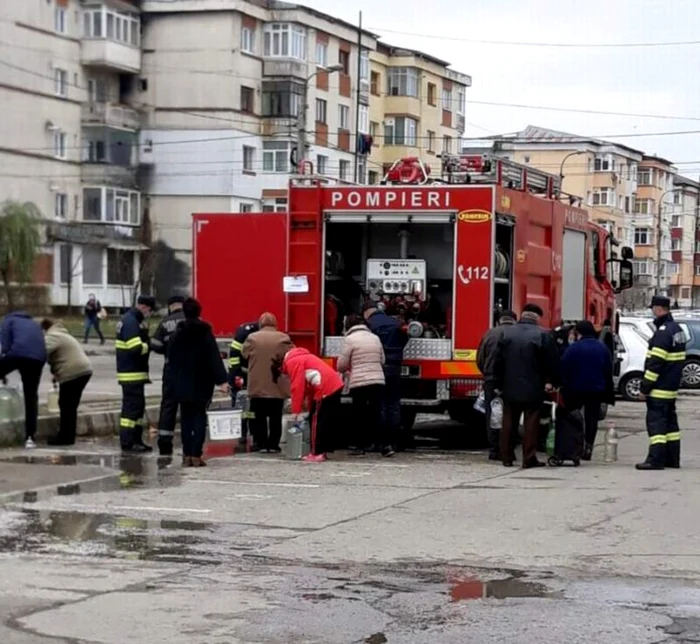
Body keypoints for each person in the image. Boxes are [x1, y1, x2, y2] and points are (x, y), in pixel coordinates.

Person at [494, 303, 560, 468]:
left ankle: (506, 457)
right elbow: (552, 362)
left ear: (522, 315)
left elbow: (497, 361)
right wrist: (552, 381)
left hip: (509, 386)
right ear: (537, 317)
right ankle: (528, 458)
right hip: (533, 387)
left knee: (508, 421)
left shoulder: (506, 333)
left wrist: (497, 383)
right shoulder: (543, 335)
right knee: (531, 423)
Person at [166, 298, 229, 467]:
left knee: (186, 418)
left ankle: (187, 454)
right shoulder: (205, 334)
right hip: (202, 382)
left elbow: (170, 358)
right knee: (200, 416)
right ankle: (196, 454)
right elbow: (214, 358)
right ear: (199, 312)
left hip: (182, 383)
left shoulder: (177, 335)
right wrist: (222, 380)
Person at [636, 295, 686, 470]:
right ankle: (672, 459)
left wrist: (645, 388)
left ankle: (655, 460)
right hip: (671, 388)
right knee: (671, 426)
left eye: (653, 309)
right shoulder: (677, 330)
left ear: (658, 309)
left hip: (659, 389)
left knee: (656, 425)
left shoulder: (663, 332)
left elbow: (655, 364)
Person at [560, 320, 615, 460]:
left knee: (573, 418)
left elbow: (564, 367)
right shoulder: (602, 348)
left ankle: (575, 447)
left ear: (579, 333)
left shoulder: (573, 348)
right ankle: (589, 447)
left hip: (575, 389)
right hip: (596, 389)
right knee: (592, 419)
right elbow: (608, 369)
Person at [337, 314, 390, 457]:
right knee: (377, 413)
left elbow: (342, 365)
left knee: (359, 415)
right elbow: (382, 359)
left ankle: (360, 447)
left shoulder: (350, 340)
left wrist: (344, 369)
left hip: (359, 382)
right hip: (378, 380)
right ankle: (385, 445)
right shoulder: (375, 338)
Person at [279, 347, 344, 463]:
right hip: (334, 385)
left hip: (325, 388)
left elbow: (297, 387)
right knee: (324, 420)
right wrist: (308, 407)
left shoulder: (292, 362)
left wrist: (295, 411)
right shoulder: (303, 357)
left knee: (316, 421)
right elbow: (307, 388)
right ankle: (323, 451)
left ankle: (317, 453)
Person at [241, 313, 293, 453]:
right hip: (276, 383)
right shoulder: (283, 338)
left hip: (257, 385)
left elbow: (244, 354)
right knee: (276, 416)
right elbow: (291, 356)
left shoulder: (252, 338)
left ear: (260, 323)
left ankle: (262, 443)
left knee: (259, 416)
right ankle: (274, 444)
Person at [362, 301, 409, 450]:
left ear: (367, 312)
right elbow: (404, 338)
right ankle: (394, 441)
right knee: (394, 403)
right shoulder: (395, 322)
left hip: (379, 366)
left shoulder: (369, 325)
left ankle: (379, 441)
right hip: (395, 366)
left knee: (379, 404)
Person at [41, 319, 93, 446]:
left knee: (66, 405)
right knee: (70, 405)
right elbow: (60, 357)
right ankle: (68, 436)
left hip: (73, 373)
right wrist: (56, 373)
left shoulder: (53, 335)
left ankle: (65, 438)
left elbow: (41, 351)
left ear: (45, 329)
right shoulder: (62, 334)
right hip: (83, 370)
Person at [0, 310, 46, 448]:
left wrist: (2, 372)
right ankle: (30, 438)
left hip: (17, 354)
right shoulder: (34, 323)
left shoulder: (8, 321)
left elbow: (5, 346)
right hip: (38, 359)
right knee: (31, 396)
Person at [116, 295, 155, 453]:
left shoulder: (133, 320)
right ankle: (127, 442)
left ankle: (136, 440)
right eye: (150, 311)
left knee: (138, 410)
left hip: (135, 374)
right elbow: (136, 348)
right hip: (131, 374)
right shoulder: (131, 322)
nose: (149, 314)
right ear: (144, 307)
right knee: (131, 411)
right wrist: (149, 345)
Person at [476, 310, 517, 460]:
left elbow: (480, 358)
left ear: (499, 320)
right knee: (511, 415)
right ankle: (508, 448)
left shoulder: (489, 334)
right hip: (512, 381)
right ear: (514, 320)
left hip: (491, 380)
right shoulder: (516, 334)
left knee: (493, 415)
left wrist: (487, 375)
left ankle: (494, 450)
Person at [150, 295, 186, 456]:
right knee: (189, 407)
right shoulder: (192, 320)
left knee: (168, 406)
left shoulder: (165, 323)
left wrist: (167, 348)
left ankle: (164, 442)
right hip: (190, 370)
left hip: (170, 368)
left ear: (170, 306)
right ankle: (189, 441)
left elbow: (156, 345)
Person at [229, 320, 259, 447]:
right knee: (240, 405)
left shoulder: (259, 333)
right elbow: (234, 354)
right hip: (239, 373)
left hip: (251, 374)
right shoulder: (244, 333)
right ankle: (241, 433)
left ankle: (252, 434)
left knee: (252, 408)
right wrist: (237, 375)